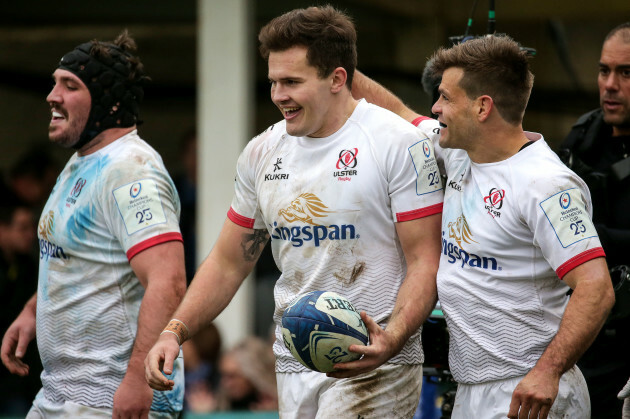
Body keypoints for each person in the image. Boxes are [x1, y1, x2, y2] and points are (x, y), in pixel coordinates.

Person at [145, 5, 443, 418]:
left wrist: (392, 338)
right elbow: (229, 262)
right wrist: (174, 332)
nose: (278, 95)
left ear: (338, 78)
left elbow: (426, 261)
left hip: (376, 359)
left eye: (292, 82)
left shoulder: (397, 143)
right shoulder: (262, 152)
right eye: (273, 82)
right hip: (294, 361)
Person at [352, 35, 615, 418]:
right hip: (472, 391)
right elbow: (398, 112)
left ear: (482, 107)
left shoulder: (545, 184)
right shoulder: (458, 152)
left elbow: (597, 288)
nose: (435, 106)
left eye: (445, 97)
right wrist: (332, 64)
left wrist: (548, 371)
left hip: (529, 393)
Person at [0, 30, 187, 418]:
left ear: (107, 101)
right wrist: (33, 311)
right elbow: (80, 258)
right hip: (62, 390)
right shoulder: (83, 159)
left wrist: (138, 380)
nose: (52, 96)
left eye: (70, 86)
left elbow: (168, 282)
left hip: (110, 394)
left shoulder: (132, 172)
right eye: (55, 84)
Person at [556, 22, 630, 418]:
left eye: (626, 73)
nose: (611, 85)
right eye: (605, 71)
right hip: (590, 341)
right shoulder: (585, 137)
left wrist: (590, 237)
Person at [0, 195, 41, 415]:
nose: (30, 235)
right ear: (2, 229)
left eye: (32, 227)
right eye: (22, 228)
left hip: (21, 377)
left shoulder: (29, 267)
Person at [214, 336, 278, 412]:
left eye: (232, 376)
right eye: (224, 375)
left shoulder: (280, 406)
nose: (225, 383)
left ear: (252, 374)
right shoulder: (219, 405)